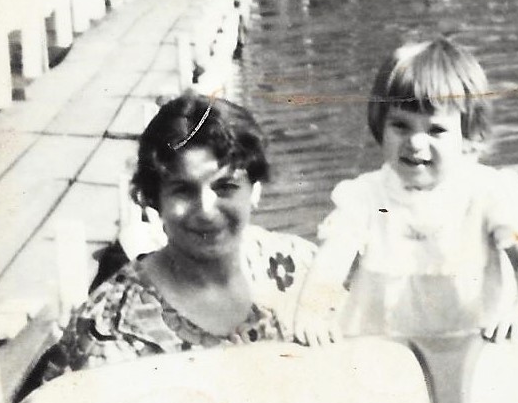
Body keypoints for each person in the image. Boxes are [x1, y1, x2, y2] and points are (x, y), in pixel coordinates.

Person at [294, 37, 518, 345]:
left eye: (436, 130)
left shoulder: (490, 193)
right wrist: (312, 312)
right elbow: (330, 263)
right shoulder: (366, 198)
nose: (416, 143)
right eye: (401, 126)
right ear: (380, 125)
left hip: (475, 350)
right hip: (384, 352)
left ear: (468, 135)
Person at [41, 93, 315, 379]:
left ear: (255, 190)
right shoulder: (111, 327)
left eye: (225, 187)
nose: (207, 211)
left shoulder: (301, 271)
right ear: (154, 198)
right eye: (183, 190)